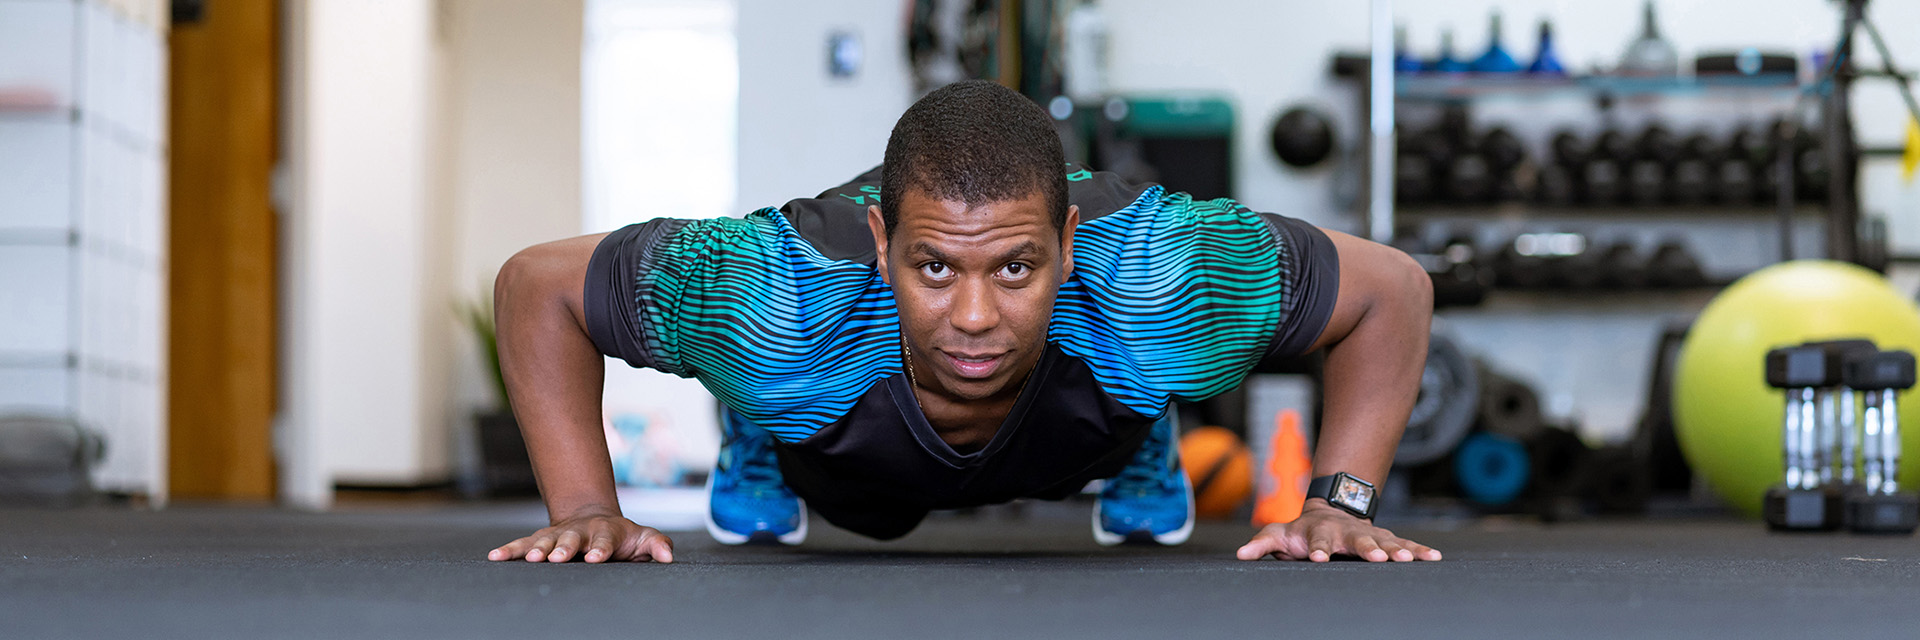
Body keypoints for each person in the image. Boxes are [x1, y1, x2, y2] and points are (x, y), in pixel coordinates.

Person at [485, 80, 1439, 565]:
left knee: (1142, 351)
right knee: (795, 404)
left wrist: (1337, 503)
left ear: (1068, 243)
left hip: (1085, 408)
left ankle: (1145, 429)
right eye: (935, 267)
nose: (975, 318)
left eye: (1016, 267)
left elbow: (1391, 290)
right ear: (881, 242)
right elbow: (538, 285)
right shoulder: (771, 296)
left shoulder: (1163, 275)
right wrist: (586, 510)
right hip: (836, 435)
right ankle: (756, 435)